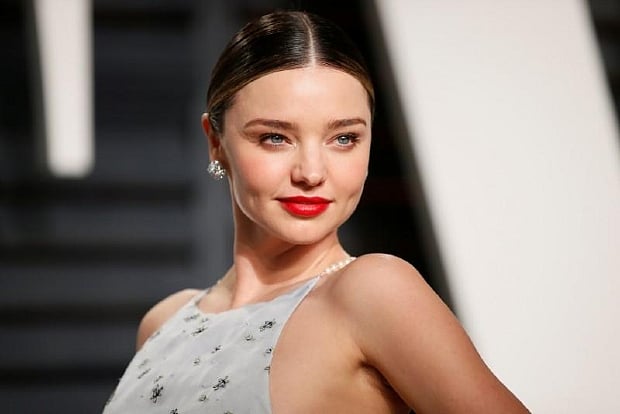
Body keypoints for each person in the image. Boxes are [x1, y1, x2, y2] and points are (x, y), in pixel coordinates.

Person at [103, 10, 529, 414]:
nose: (311, 173)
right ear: (216, 142)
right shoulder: (164, 322)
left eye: (343, 139)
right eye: (275, 137)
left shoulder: (374, 292)